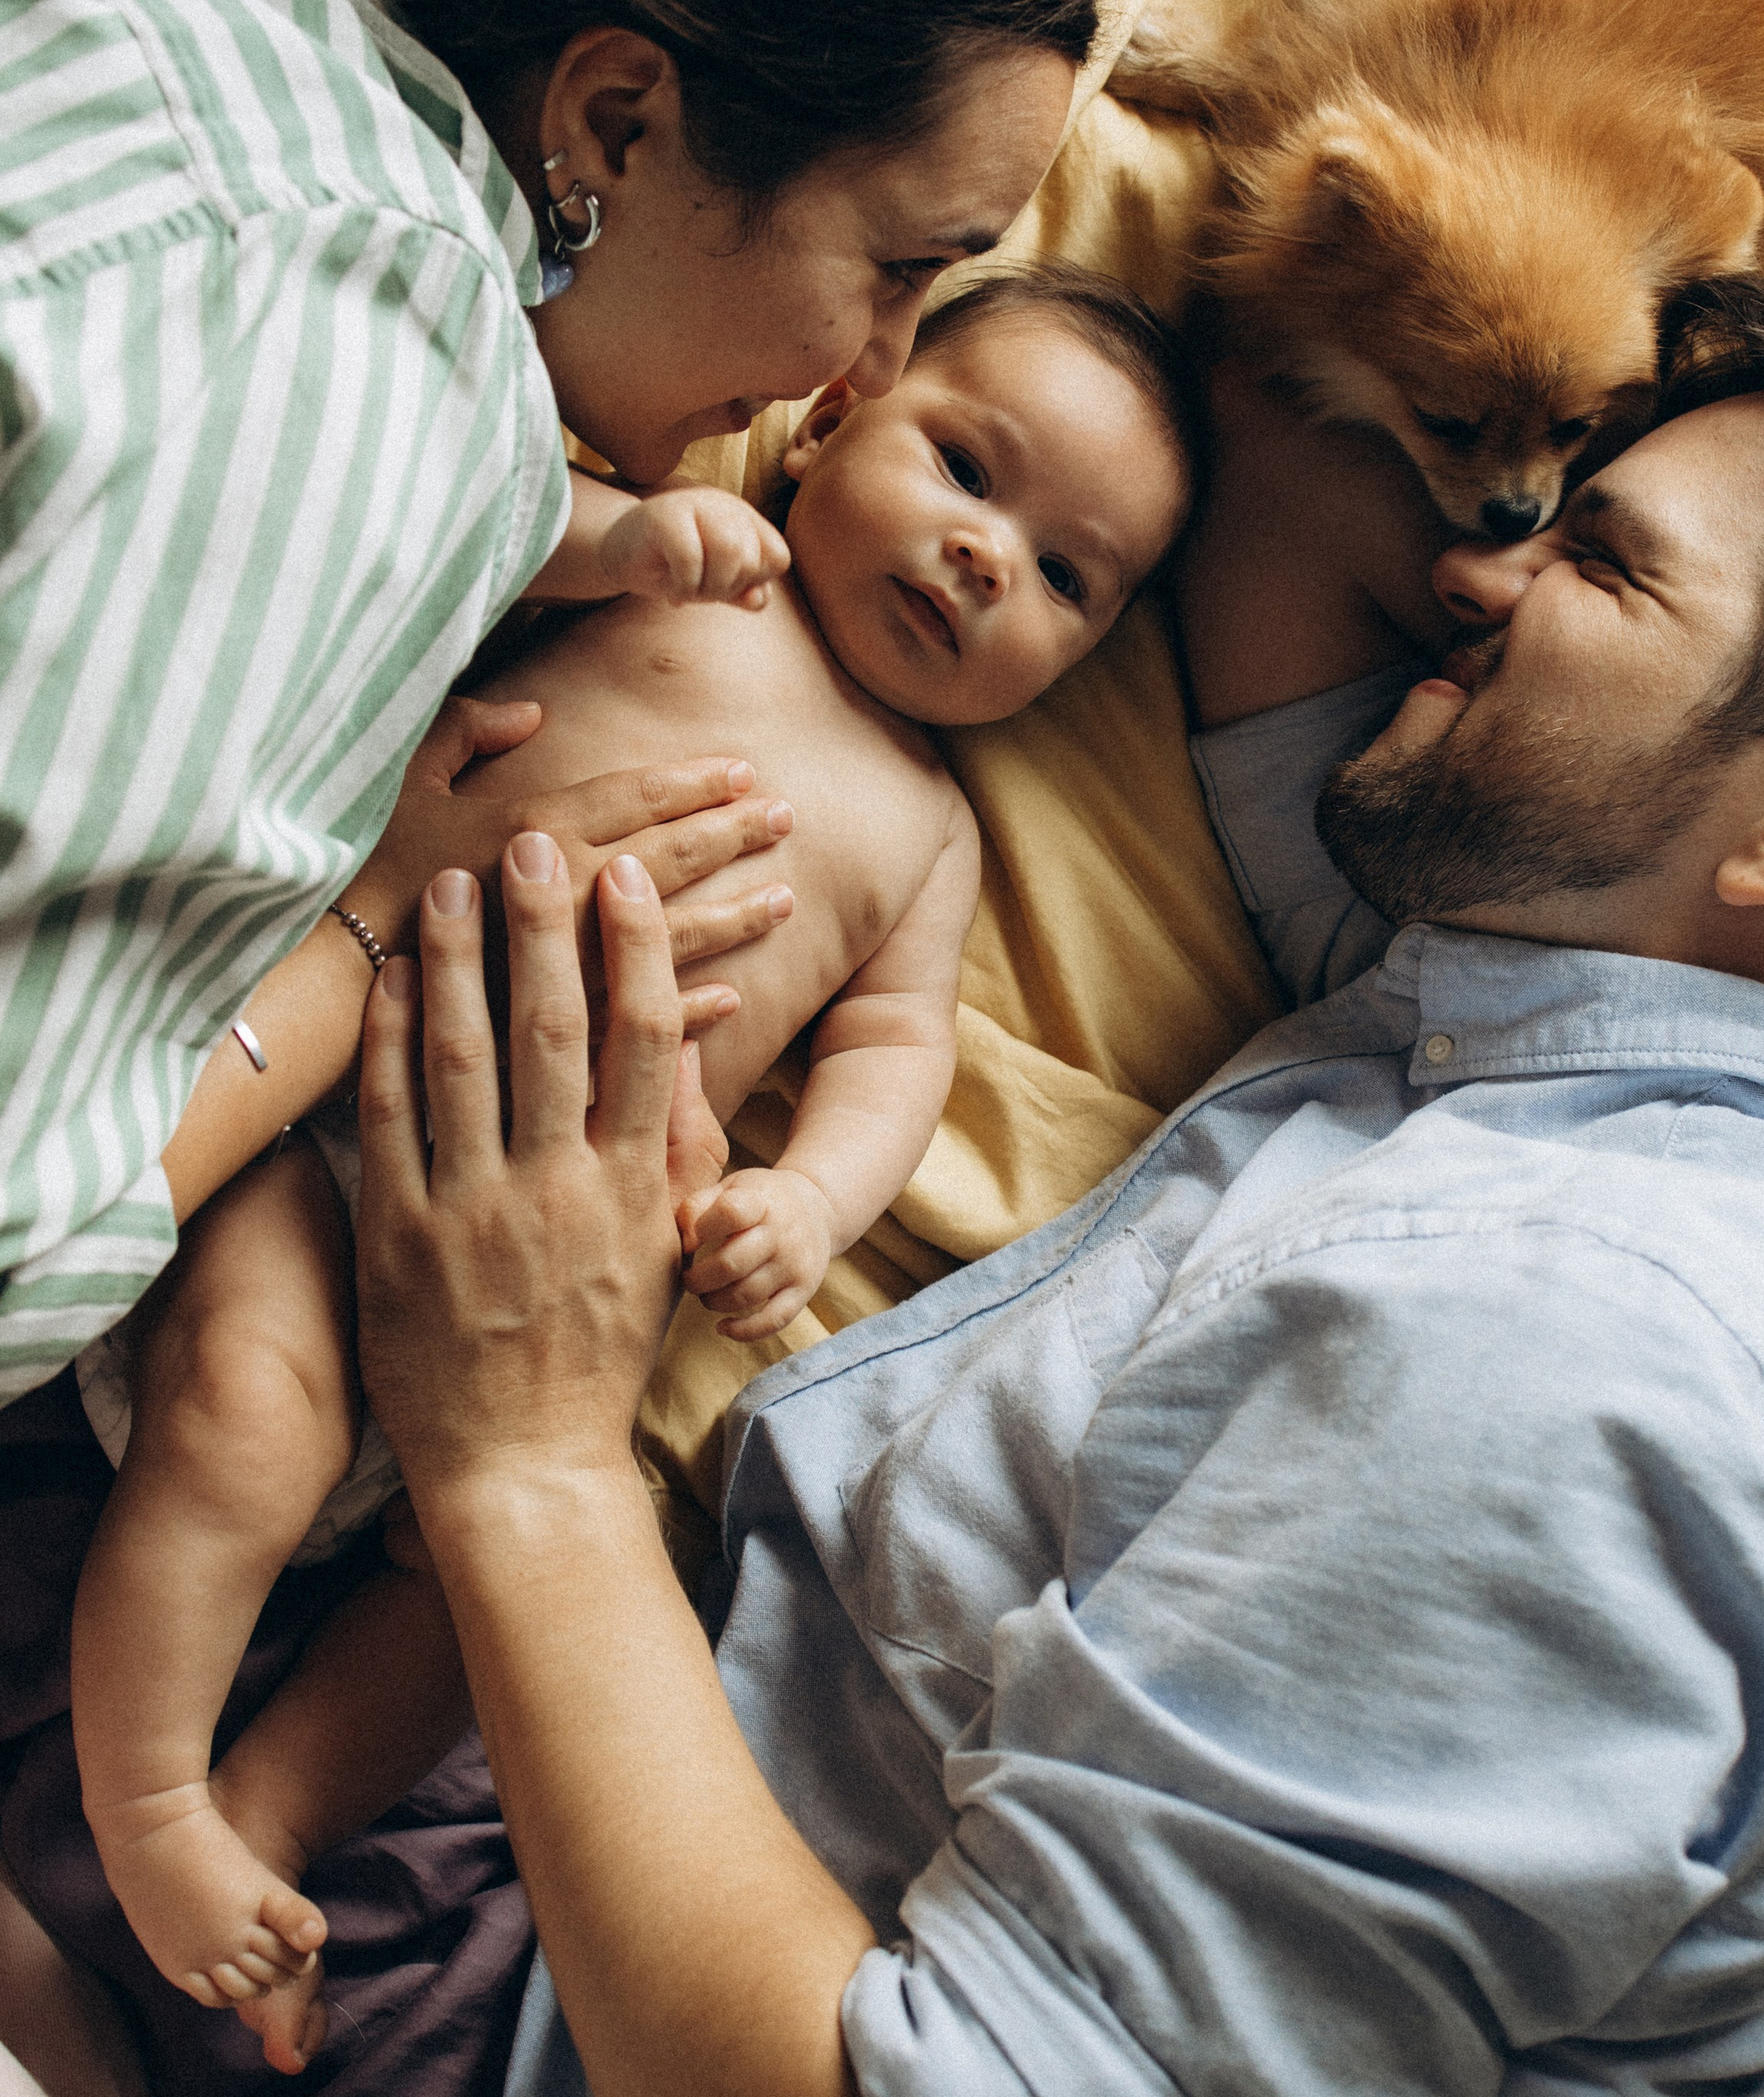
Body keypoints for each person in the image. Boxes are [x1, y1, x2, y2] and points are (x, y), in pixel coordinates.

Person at [306, 274, 1764, 2097]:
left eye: (1605, 565)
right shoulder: (1503, 1045)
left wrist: (520, 1448)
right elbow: (1286, 419)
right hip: (516, 1817)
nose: (1472, 571)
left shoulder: (1597, 1344)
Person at [0, 0, 1098, 2084]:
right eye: (897, 272)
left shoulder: (923, 827)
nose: (857, 369)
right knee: (251, 1417)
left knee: (473, 1603)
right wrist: (361, 919)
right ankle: (148, 1808)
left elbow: (894, 1060)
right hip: (294, 1156)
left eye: (1075, 580)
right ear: (608, 114)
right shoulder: (423, 419)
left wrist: (792, 1198)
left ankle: (247, 1830)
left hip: (528, 1311)